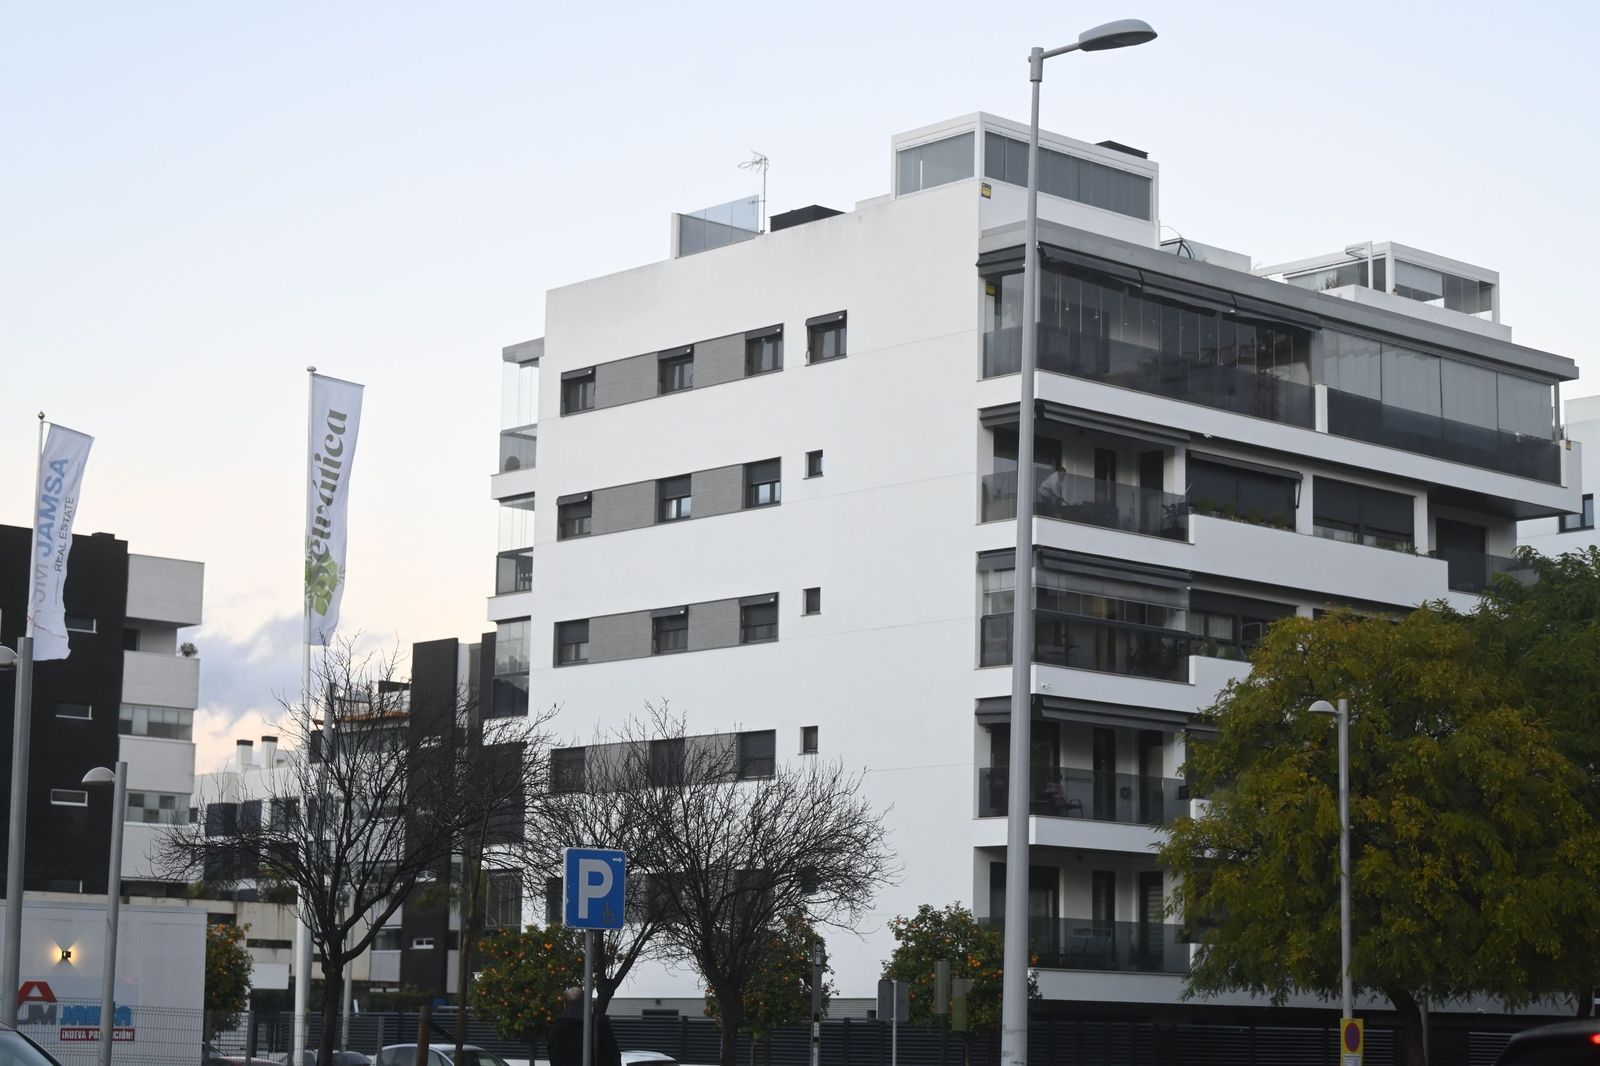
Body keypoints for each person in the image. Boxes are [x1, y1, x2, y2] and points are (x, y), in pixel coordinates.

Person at [547, 987, 622, 1066]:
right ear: (586, 1002)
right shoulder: (599, 1025)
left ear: (565, 1003)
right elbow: (614, 1056)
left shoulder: (557, 1029)